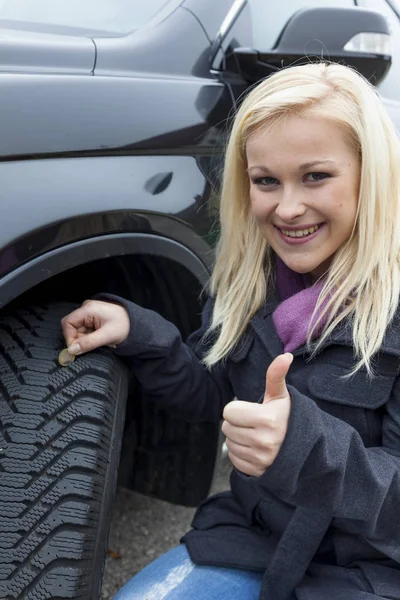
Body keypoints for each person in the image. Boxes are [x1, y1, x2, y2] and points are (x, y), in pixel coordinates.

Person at [61, 62, 400, 600]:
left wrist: (303, 448)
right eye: (266, 180)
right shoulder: (250, 280)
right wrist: (143, 335)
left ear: (372, 174)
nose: (287, 208)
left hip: (368, 570)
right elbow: (216, 397)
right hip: (252, 539)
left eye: (316, 176)